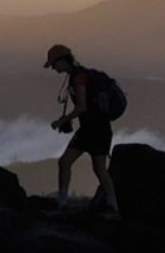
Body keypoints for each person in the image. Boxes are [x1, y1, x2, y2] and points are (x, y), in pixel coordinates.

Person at [45, 43, 120, 216]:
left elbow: (81, 107)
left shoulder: (79, 77)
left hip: (95, 129)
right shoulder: (77, 76)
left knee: (91, 167)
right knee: (90, 167)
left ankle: (111, 206)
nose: (53, 68)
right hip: (93, 129)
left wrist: (62, 121)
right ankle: (112, 206)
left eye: (54, 64)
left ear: (63, 61)